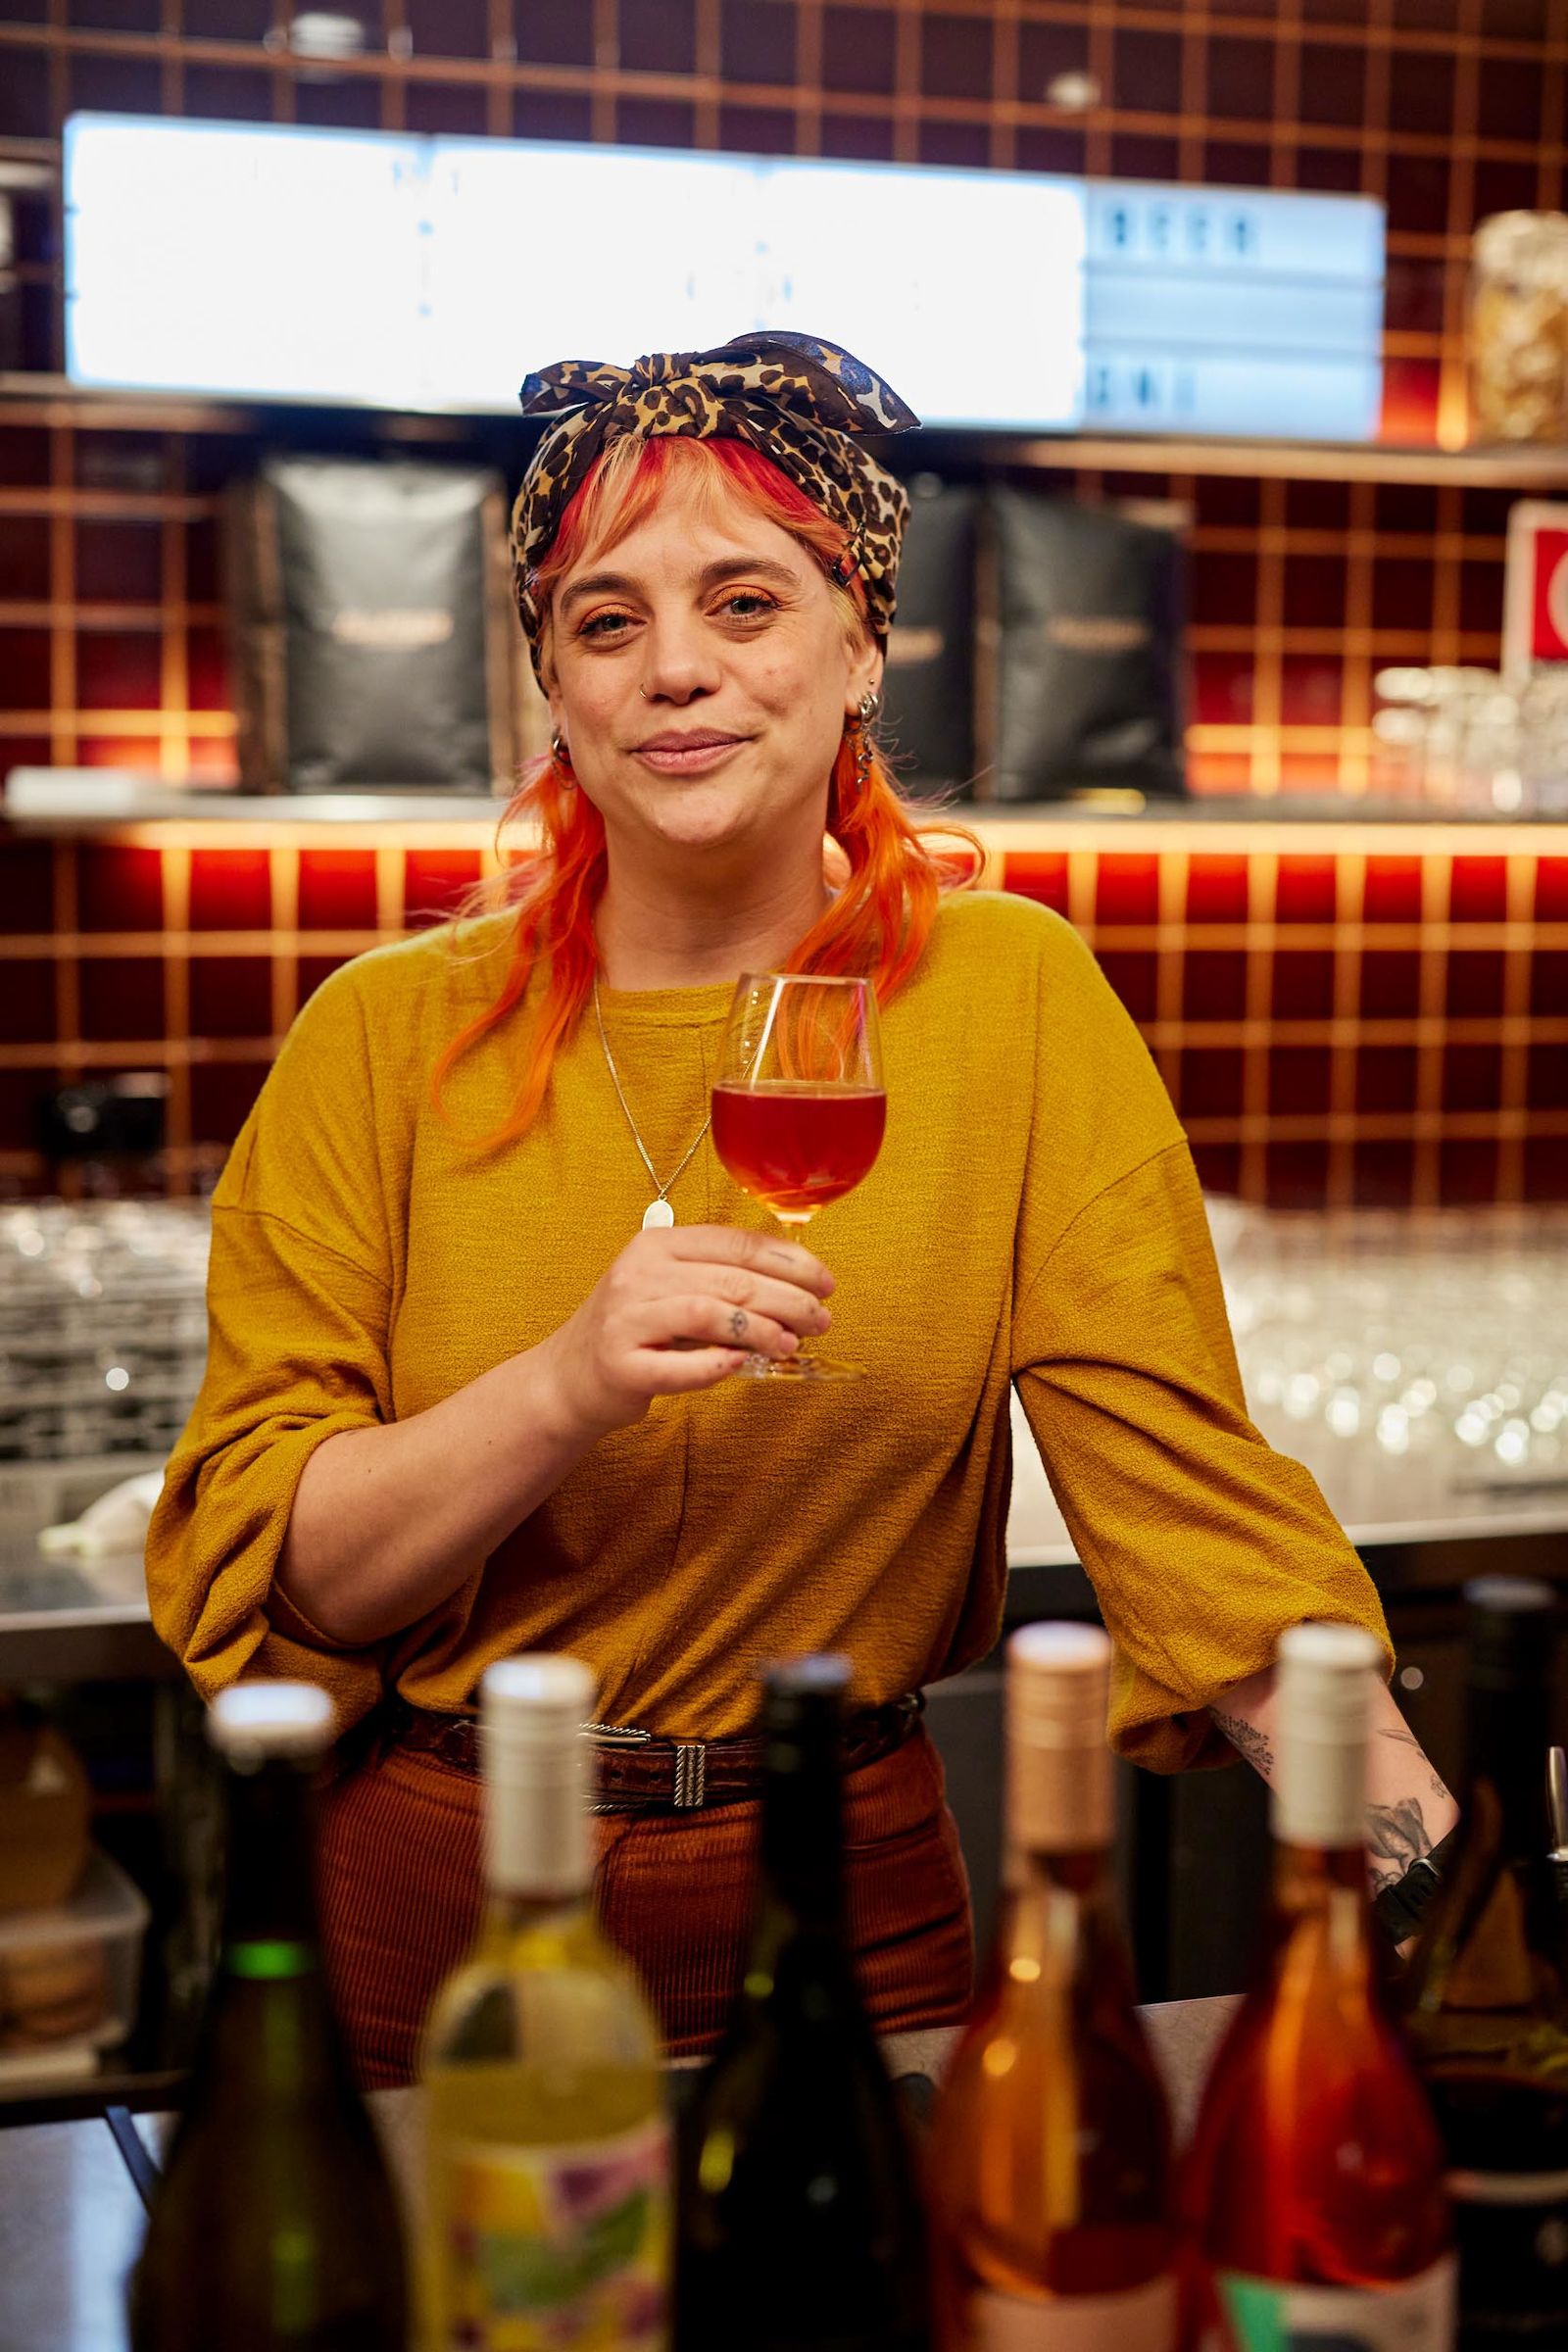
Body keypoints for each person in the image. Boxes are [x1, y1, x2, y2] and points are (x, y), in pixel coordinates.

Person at [146, 334, 1455, 2087]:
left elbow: (1197, 1512)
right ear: (552, 680)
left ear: (863, 645)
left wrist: (1446, 1885)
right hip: (442, 1897)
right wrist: (566, 1384)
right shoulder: (382, 1038)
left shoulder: (1010, 1003)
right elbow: (276, 1564)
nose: (675, 670)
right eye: (606, 622)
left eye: (744, 603)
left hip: (855, 1889)